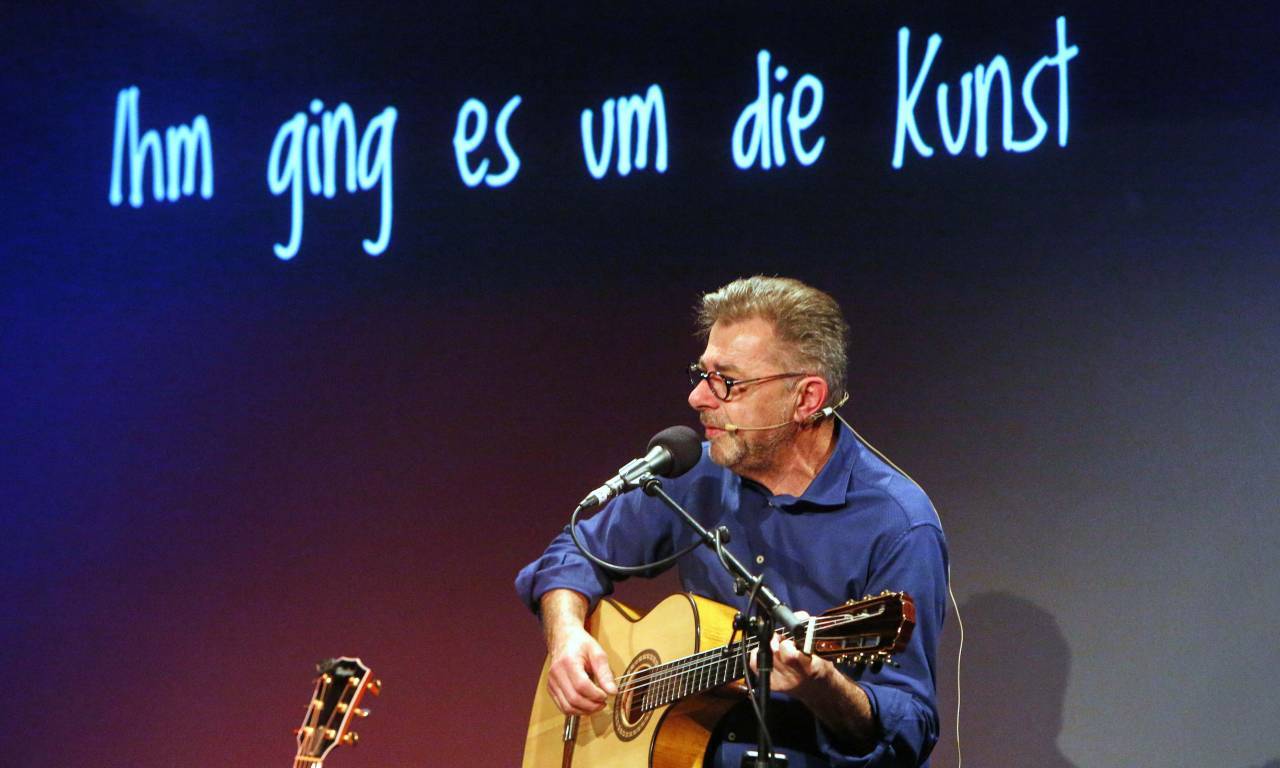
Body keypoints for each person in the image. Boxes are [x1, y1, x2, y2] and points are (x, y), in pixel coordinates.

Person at [515, 276, 948, 767]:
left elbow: (909, 726)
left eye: (727, 381)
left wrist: (821, 685)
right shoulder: (693, 474)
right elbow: (572, 553)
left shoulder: (899, 524)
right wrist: (567, 636)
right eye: (700, 374)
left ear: (806, 398)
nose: (698, 397)